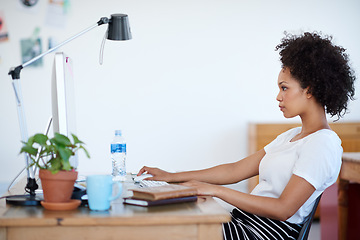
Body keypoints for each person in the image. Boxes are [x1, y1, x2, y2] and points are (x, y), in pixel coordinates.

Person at [137, 32, 356, 240]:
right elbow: (234, 170)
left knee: (169, 228)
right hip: (244, 222)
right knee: (171, 217)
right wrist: (171, 176)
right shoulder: (290, 136)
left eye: (284, 88)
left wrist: (214, 191)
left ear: (309, 90)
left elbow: (283, 209)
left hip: (264, 233)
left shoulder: (322, 144)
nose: (278, 97)